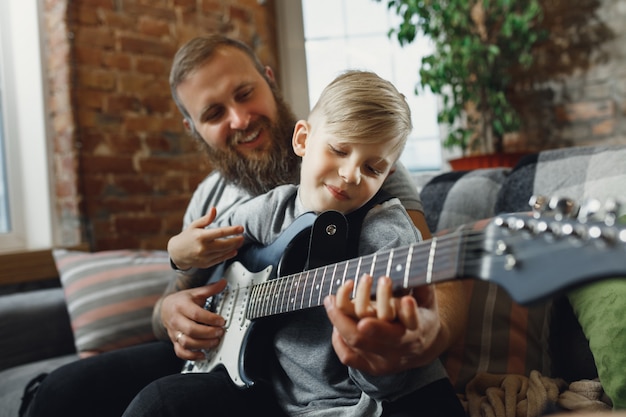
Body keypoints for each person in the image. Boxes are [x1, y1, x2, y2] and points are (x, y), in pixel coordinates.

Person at [23, 35, 466, 417]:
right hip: (215, 348)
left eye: (244, 93)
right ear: (193, 128)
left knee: (161, 404)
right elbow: (172, 296)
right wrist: (172, 305)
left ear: (269, 80)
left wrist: (424, 338)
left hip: (280, 374)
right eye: (213, 113)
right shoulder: (210, 198)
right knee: (61, 392)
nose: (238, 119)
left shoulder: (364, 170)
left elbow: (427, 270)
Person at [126, 69, 464, 416]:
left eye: (372, 168)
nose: (350, 174)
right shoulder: (272, 207)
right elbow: (215, 238)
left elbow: (387, 381)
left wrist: (374, 353)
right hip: (273, 390)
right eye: (338, 150)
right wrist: (179, 252)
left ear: (388, 176)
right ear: (302, 139)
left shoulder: (388, 237)